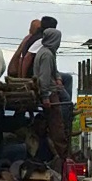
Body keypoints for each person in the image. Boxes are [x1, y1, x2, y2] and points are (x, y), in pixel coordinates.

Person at [33, 28, 68, 159]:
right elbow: (44, 77)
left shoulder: (48, 52)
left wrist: (58, 78)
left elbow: (54, 71)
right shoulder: (47, 55)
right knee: (57, 126)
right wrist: (45, 96)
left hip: (52, 90)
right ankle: (63, 154)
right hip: (50, 93)